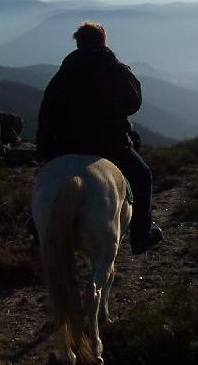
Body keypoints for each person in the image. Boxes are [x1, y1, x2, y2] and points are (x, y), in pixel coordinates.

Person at [34, 21, 164, 255]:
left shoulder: (63, 74)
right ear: (103, 42)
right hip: (111, 145)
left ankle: (36, 228)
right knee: (143, 177)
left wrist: (44, 149)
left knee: (45, 183)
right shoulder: (116, 70)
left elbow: (47, 112)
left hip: (67, 146)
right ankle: (141, 236)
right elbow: (133, 103)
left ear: (78, 43)